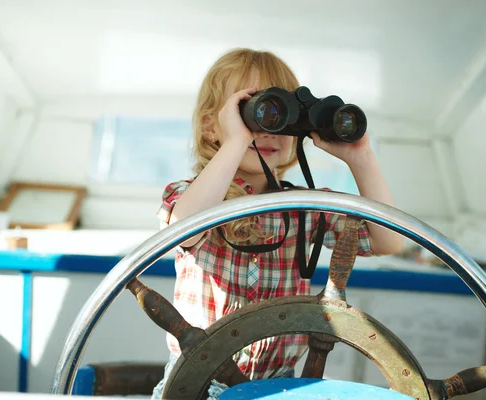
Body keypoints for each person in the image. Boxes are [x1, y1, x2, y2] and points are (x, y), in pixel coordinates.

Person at [151, 48, 403, 399]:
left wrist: (361, 158)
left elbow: (388, 241)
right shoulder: (190, 195)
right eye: (258, 113)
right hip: (195, 383)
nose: (270, 130)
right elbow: (185, 226)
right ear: (213, 126)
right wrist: (237, 140)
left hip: (279, 386)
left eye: (282, 116)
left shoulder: (306, 205)